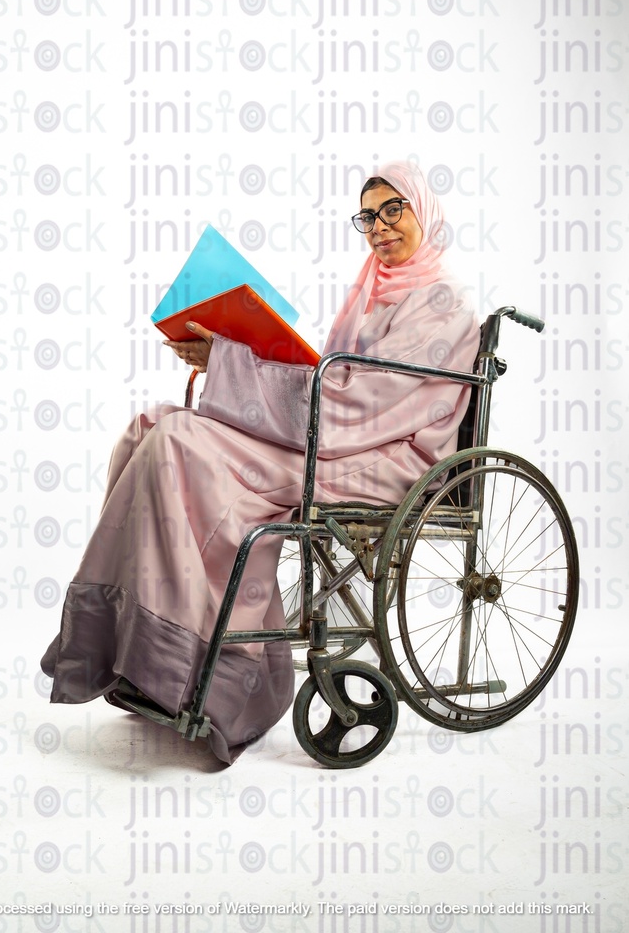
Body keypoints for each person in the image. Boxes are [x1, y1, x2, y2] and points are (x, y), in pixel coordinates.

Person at [41, 161, 480, 764]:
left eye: (392, 210)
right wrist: (238, 351)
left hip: (385, 459)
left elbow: (359, 403)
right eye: (367, 216)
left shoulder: (443, 303)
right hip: (339, 437)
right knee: (152, 427)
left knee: (181, 445)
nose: (378, 226)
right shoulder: (371, 293)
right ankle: (131, 648)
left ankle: (200, 669)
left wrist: (232, 362)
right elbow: (335, 387)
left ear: (423, 211)